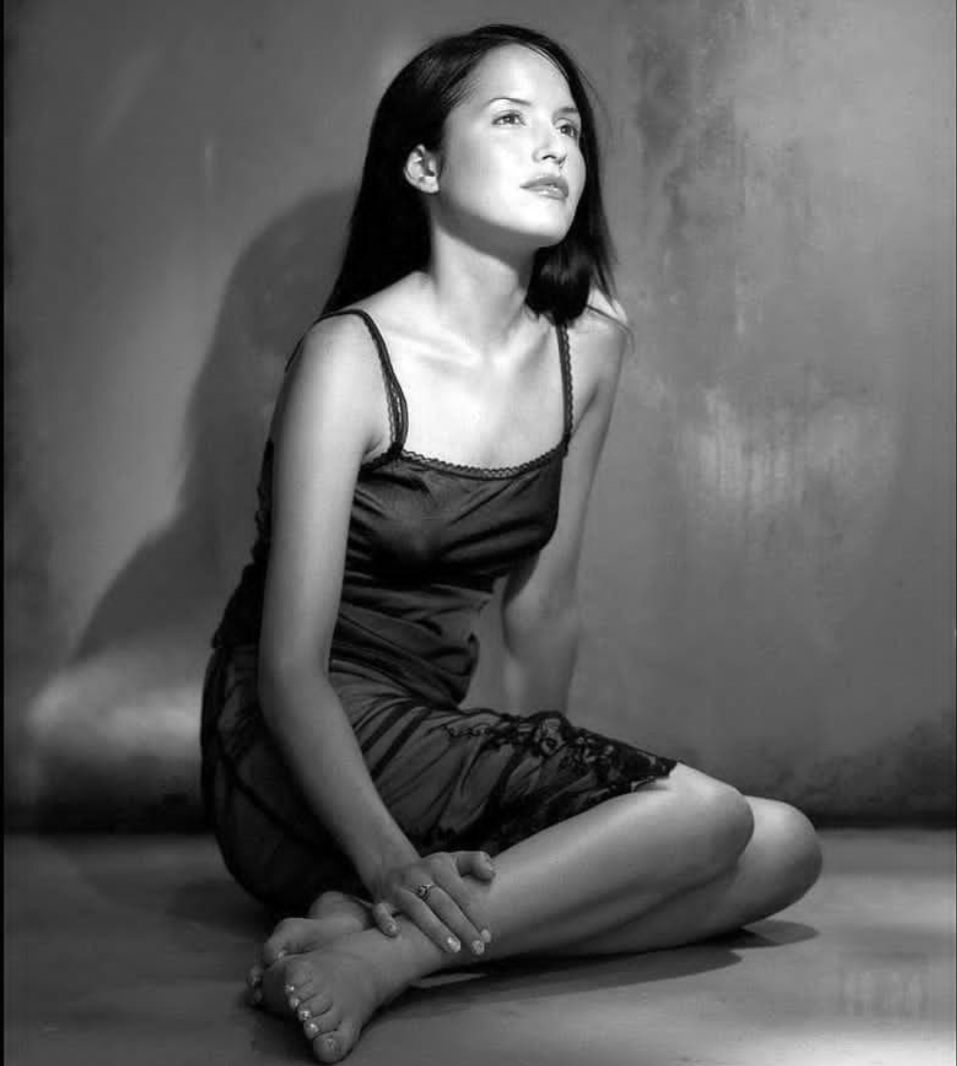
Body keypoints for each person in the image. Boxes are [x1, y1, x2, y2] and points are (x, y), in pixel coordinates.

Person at [200, 23, 822, 1064]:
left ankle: (374, 943)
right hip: (295, 747)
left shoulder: (591, 347)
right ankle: (386, 947)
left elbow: (544, 607)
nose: (553, 148)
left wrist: (551, 829)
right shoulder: (350, 355)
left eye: (569, 128)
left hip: (430, 735)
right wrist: (393, 864)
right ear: (423, 166)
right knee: (710, 819)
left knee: (787, 849)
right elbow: (289, 669)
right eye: (510, 119)